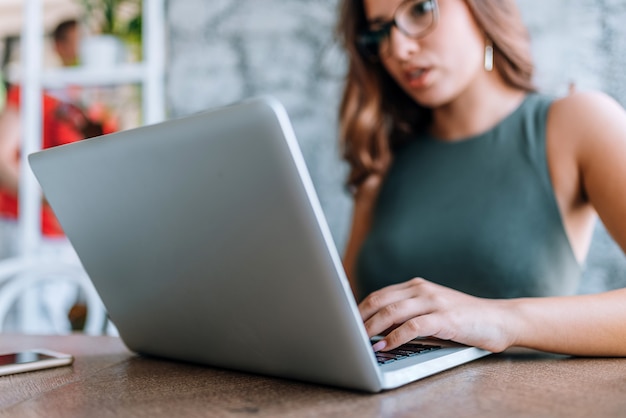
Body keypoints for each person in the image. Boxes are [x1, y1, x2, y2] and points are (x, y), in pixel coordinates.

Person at [336, 0, 626, 356]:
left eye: (420, 10)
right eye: (380, 31)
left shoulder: (576, 122)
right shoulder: (382, 159)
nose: (398, 48)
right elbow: (341, 316)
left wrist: (499, 318)